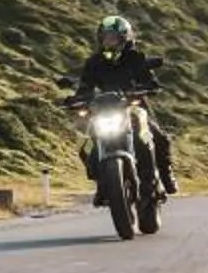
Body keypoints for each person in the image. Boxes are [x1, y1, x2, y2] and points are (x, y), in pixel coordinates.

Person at [68, 12, 176, 194]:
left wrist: (148, 87)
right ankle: (103, 183)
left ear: (124, 38)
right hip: (104, 110)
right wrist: (77, 99)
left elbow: (150, 81)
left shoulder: (136, 58)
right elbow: (85, 87)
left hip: (133, 106)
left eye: (113, 38)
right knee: (87, 145)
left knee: (158, 137)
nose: (109, 42)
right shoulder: (94, 62)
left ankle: (166, 176)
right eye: (105, 38)